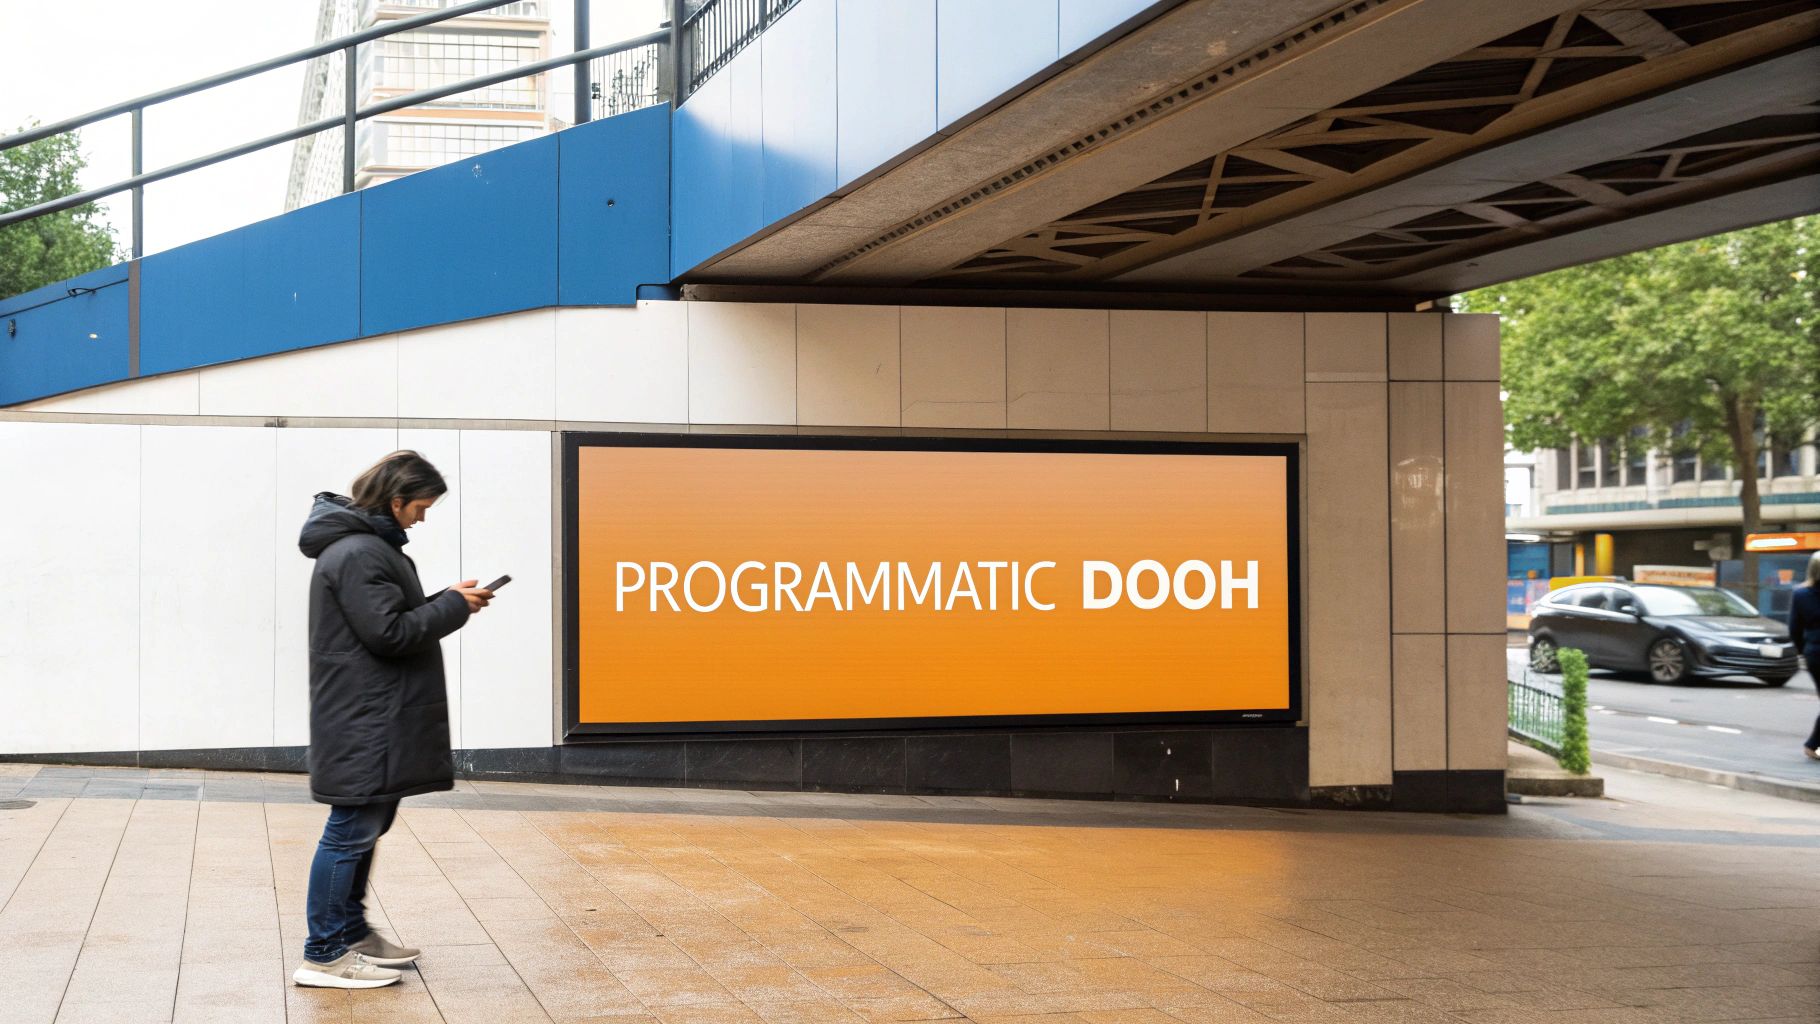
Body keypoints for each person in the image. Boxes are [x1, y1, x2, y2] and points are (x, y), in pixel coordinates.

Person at [291, 451, 493, 988]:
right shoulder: (359, 552)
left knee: (366, 825)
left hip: (374, 712)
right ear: (395, 498)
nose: (421, 518)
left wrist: (448, 600)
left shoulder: (367, 548)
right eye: (420, 507)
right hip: (367, 716)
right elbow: (390, 634)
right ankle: (325, 953)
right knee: (350, 830)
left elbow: (387, 620)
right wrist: (452, 607)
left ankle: (351, 934)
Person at [1794, 552, 1820, 763]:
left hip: (1815, 653)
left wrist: (1804, 651)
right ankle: (1812, 745)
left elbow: (1795, 628)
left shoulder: (1801, 594)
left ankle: (1813, 745)